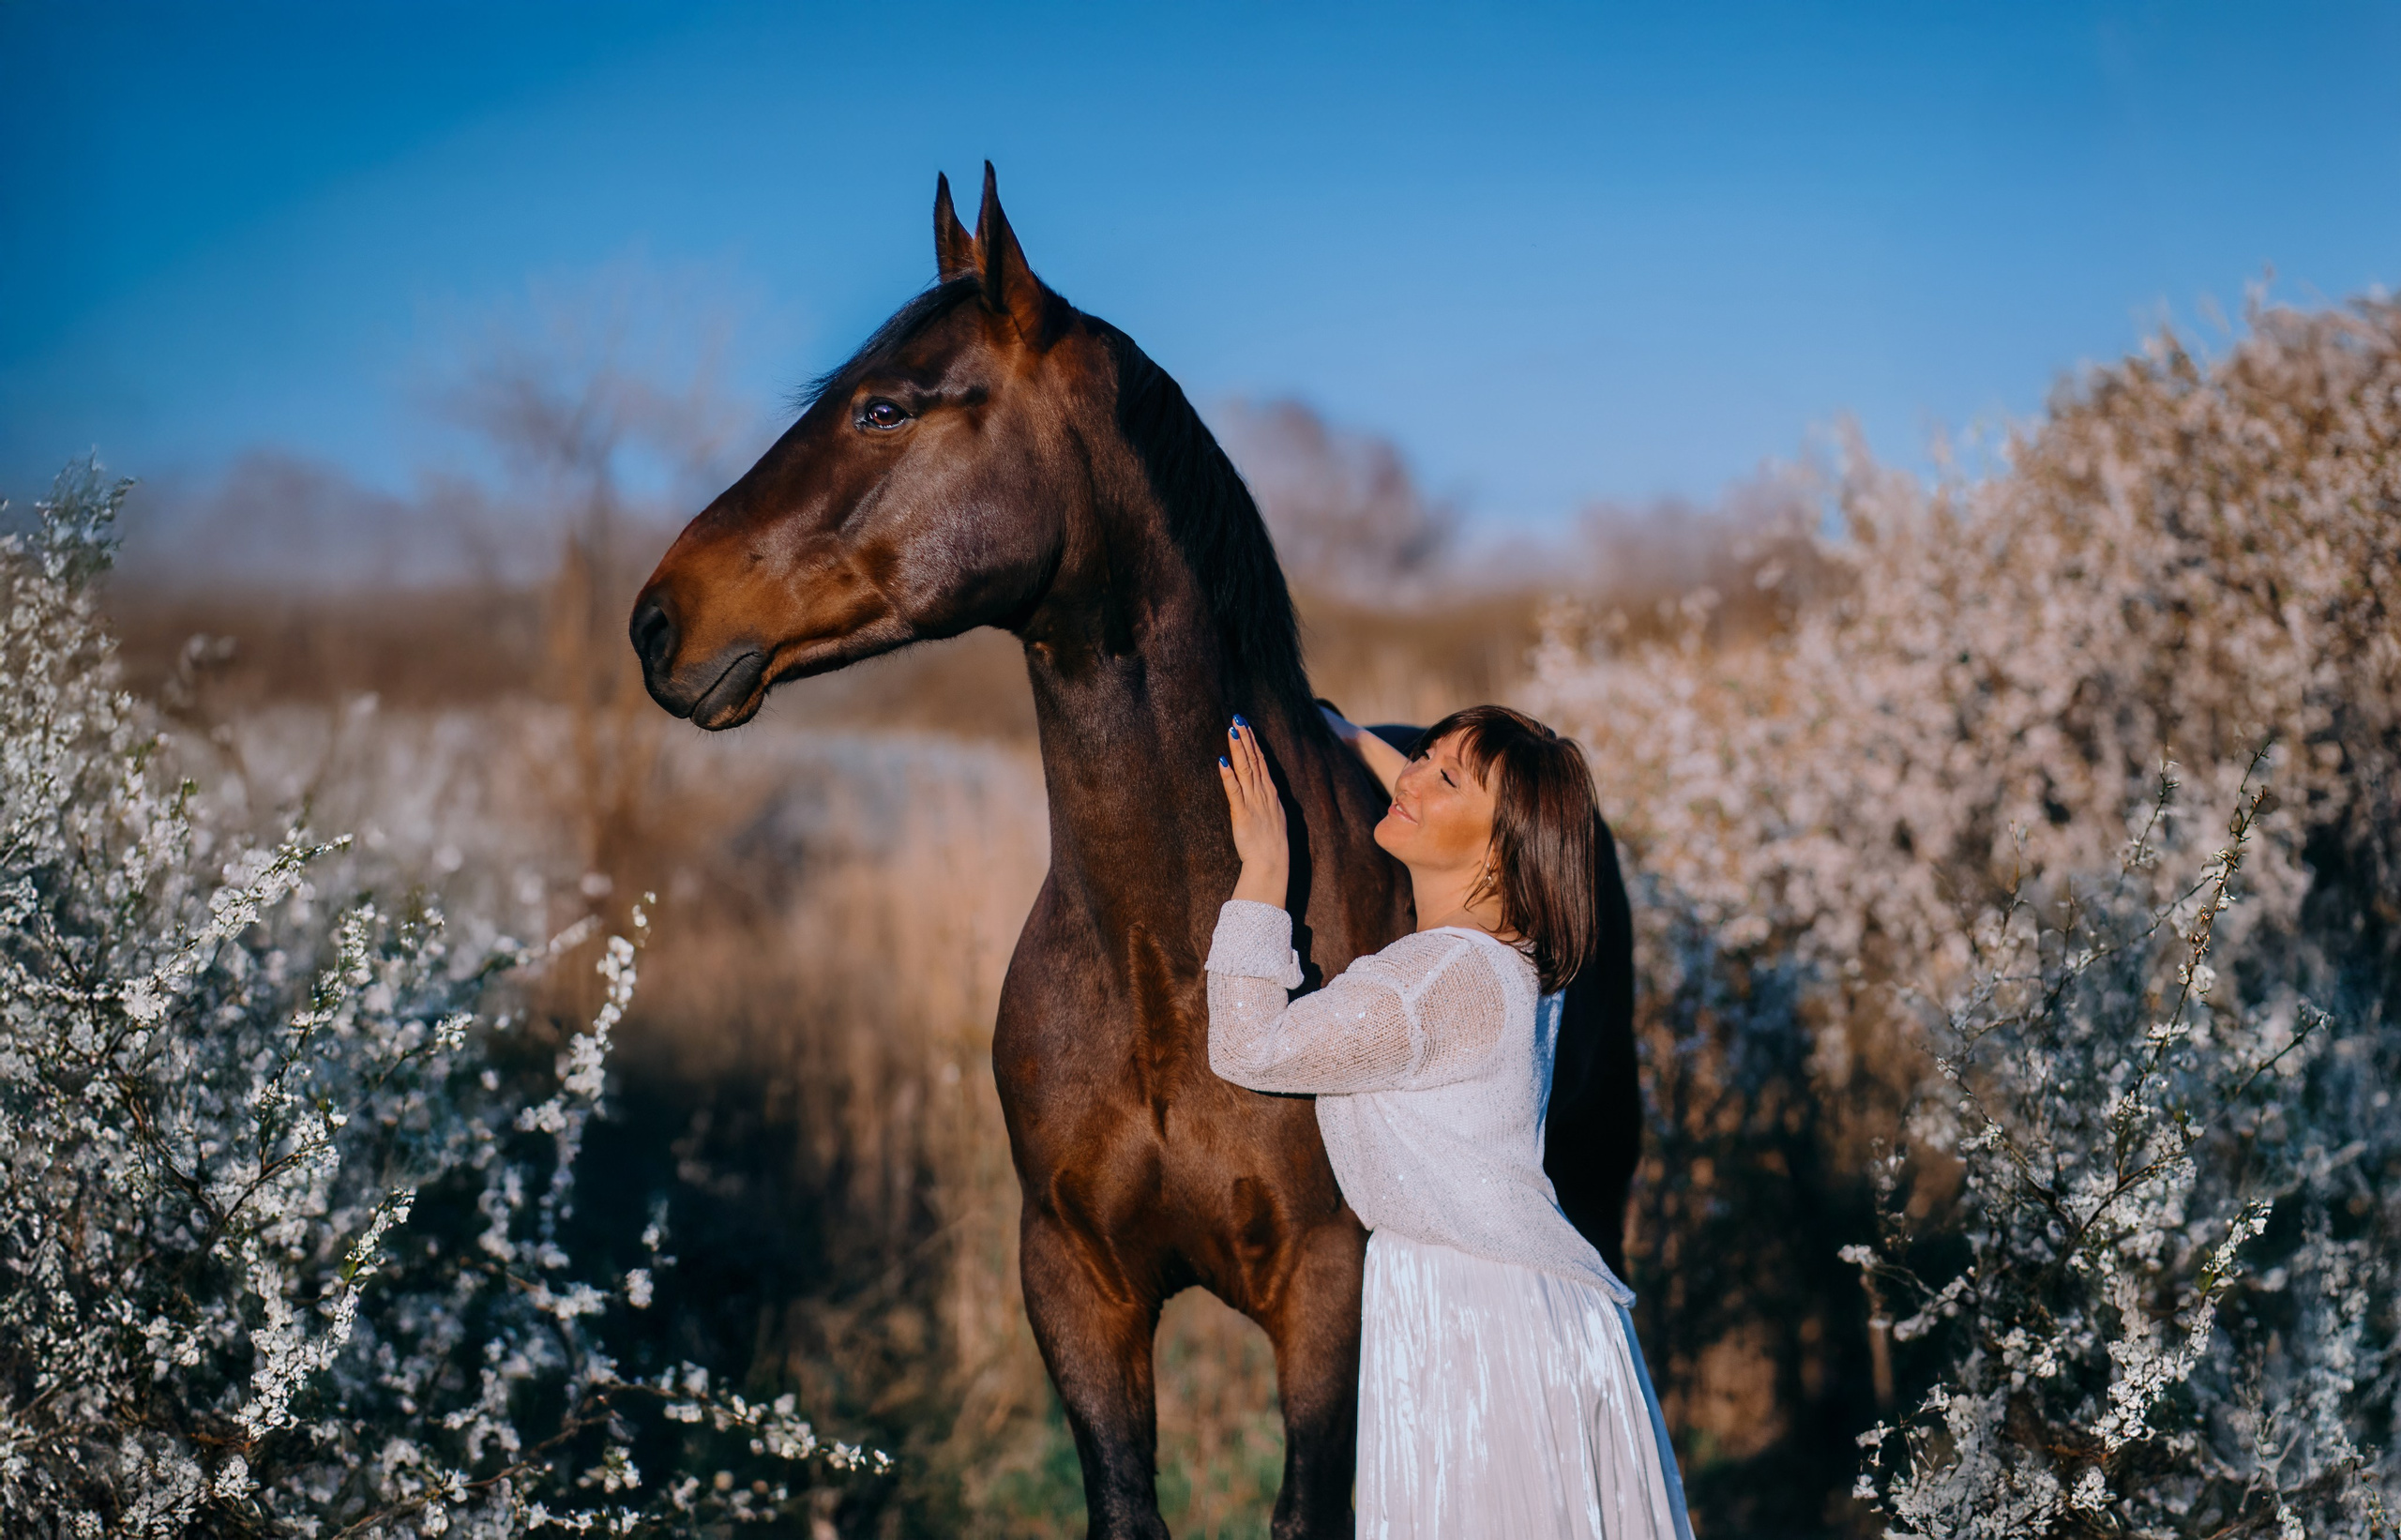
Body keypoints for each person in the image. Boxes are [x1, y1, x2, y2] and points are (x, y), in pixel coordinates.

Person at [1209, 703, 1691, 1539]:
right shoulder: (1524, 962)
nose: (1410, 778)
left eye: (1443, 777)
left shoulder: (1434, 981)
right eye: (1420, 757)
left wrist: (1264, 866)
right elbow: (1438, 805)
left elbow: (1249, 1048)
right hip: (1512, 1307)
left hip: (1478, 1328)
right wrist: (1357, 740)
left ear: (1501, 847)